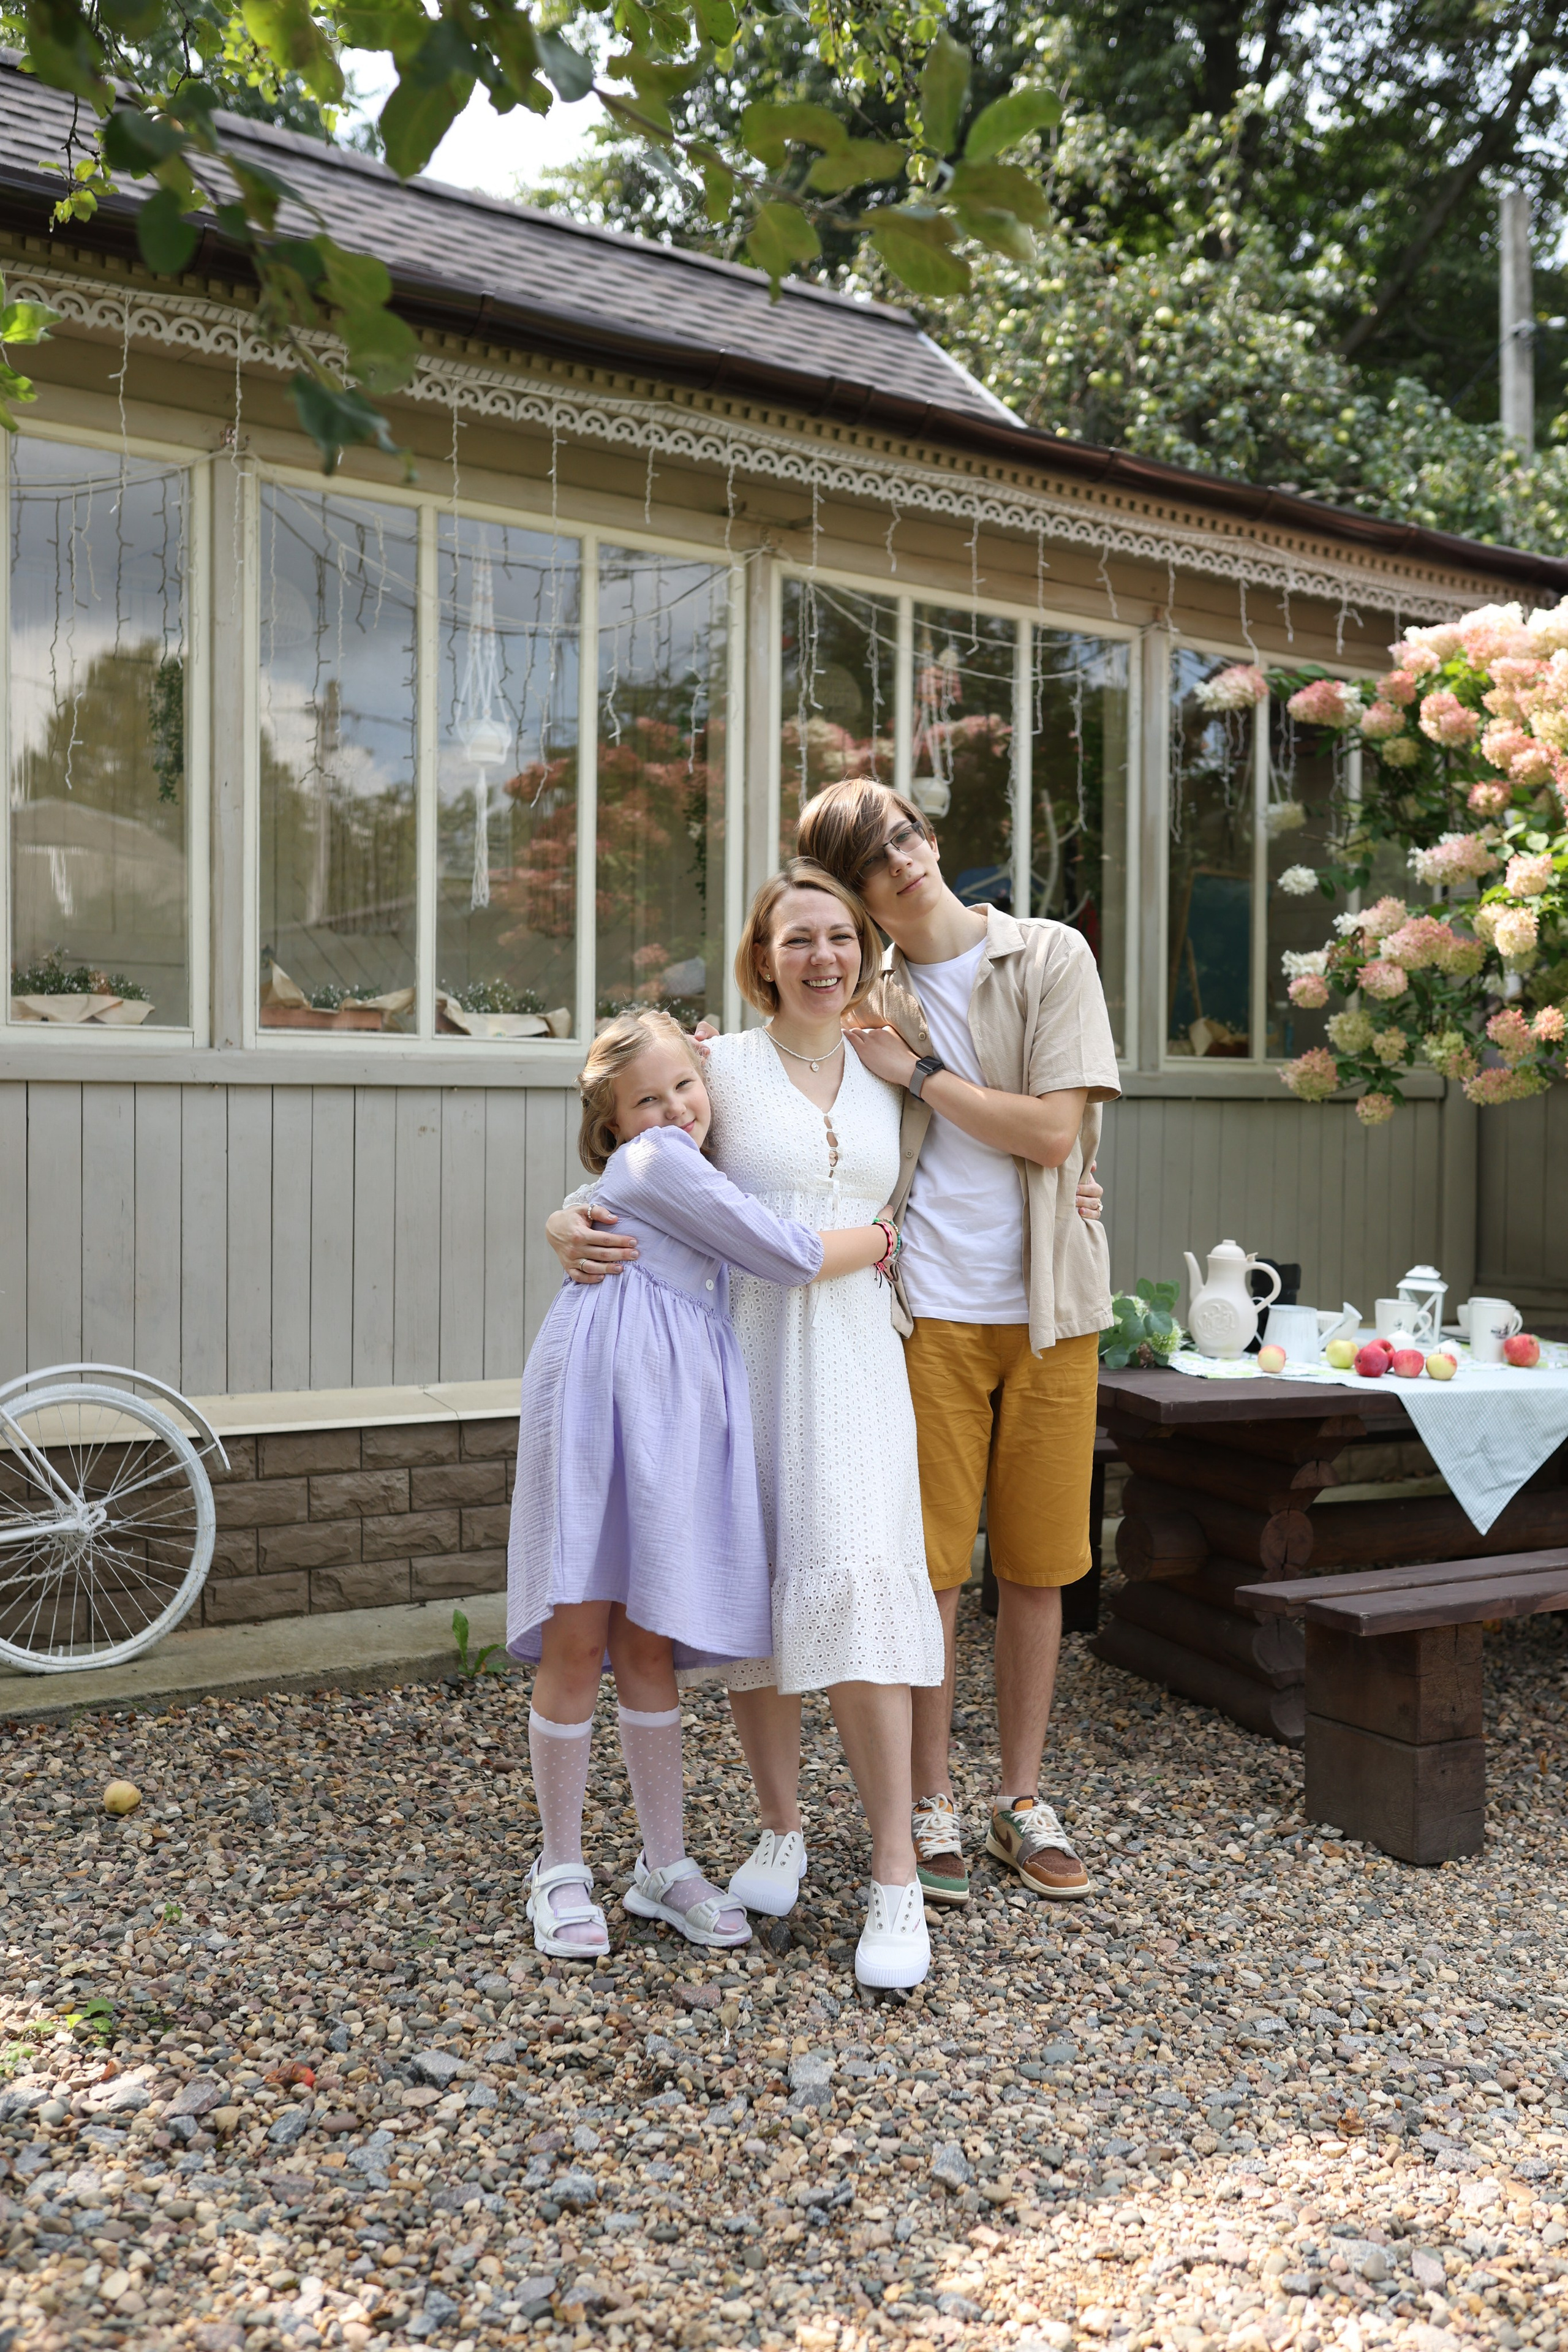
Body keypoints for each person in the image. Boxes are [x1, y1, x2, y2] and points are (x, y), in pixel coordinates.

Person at [547, 865, 945, 1989]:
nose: (822, 956)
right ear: (760, 958)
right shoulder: (714, 1067)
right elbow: (626, 1165)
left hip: (860, 1358)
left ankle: (894, 1873)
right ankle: (780, 1828)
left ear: (865, 949)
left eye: (840, 936)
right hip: (738, 1358)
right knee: (756, 1592)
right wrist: (561, 1224)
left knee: (862, 1585)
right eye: (796, 939)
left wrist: (1081, 1195)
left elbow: (972, 1175)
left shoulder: (890, 1062)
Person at [509, 1007, 900, 1963]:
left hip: (670, 1392)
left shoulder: (678, 1158)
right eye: (647, 1099)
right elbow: (791, 1255)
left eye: (688, 1085)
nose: (676, 1107)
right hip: (609, 1390)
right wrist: (885, 1240)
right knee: (581, 1624)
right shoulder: (661, 1162)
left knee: (649, 1631)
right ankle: (558, 1868)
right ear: (613, 1124)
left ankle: (663, 1864)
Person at [797, 778, 1120, 1910]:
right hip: (921, 1316)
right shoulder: (859, 995)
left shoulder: (1045, 959)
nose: (902, 863)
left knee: (1038, 1568)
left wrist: (921, 1076)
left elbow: (1049, 1132)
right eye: (872, 860)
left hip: (1048, 1313)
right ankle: (929, 1799)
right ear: (857, 894)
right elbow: (767, 1088)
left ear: (930, 836)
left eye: (904, 836)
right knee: (930, 1571)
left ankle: (1020, 1800)